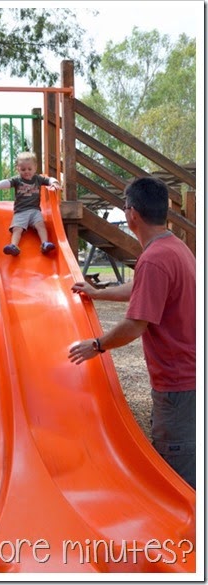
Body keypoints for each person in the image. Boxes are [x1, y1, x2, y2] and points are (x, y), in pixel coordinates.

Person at [68, 177, 196, 490]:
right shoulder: (174, 248)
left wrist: (96, 345)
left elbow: (136, 324)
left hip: (178, 384)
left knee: (178, 474)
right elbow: (143, 289)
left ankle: (189, 536)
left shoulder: (154, 260)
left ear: (131, 214)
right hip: (190, 376)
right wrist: (97, 293)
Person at [0, 151, 62, 256]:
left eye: (29, 169)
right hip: (21, 211)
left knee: (41, 225)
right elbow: (7, 182)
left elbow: (49, 179)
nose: (26, 172)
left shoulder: (38, 179)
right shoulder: (17, 180)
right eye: (23, 169)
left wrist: (54, 182)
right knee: (17, 228)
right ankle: (13, 246)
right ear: (18, 168)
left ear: (35, 168)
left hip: (35, 210)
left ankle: (44, 243)